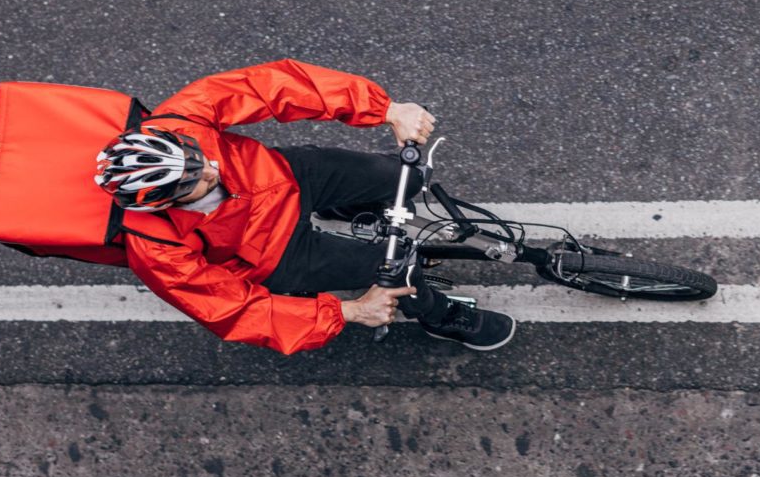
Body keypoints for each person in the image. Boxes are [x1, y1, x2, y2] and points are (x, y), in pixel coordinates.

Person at [94, 59, 515, 355]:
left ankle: (348, 209)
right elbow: (235, 313)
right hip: (277, 254)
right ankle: (439, 318)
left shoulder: (180, 120)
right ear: (164, 202)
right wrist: (348, 311)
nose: (213, 167)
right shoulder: (154, 248)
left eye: (198, 156)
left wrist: (385, 110)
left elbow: (273, 85)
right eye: (197, 180)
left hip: (287, 175)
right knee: (398, 267)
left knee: (401, 177)